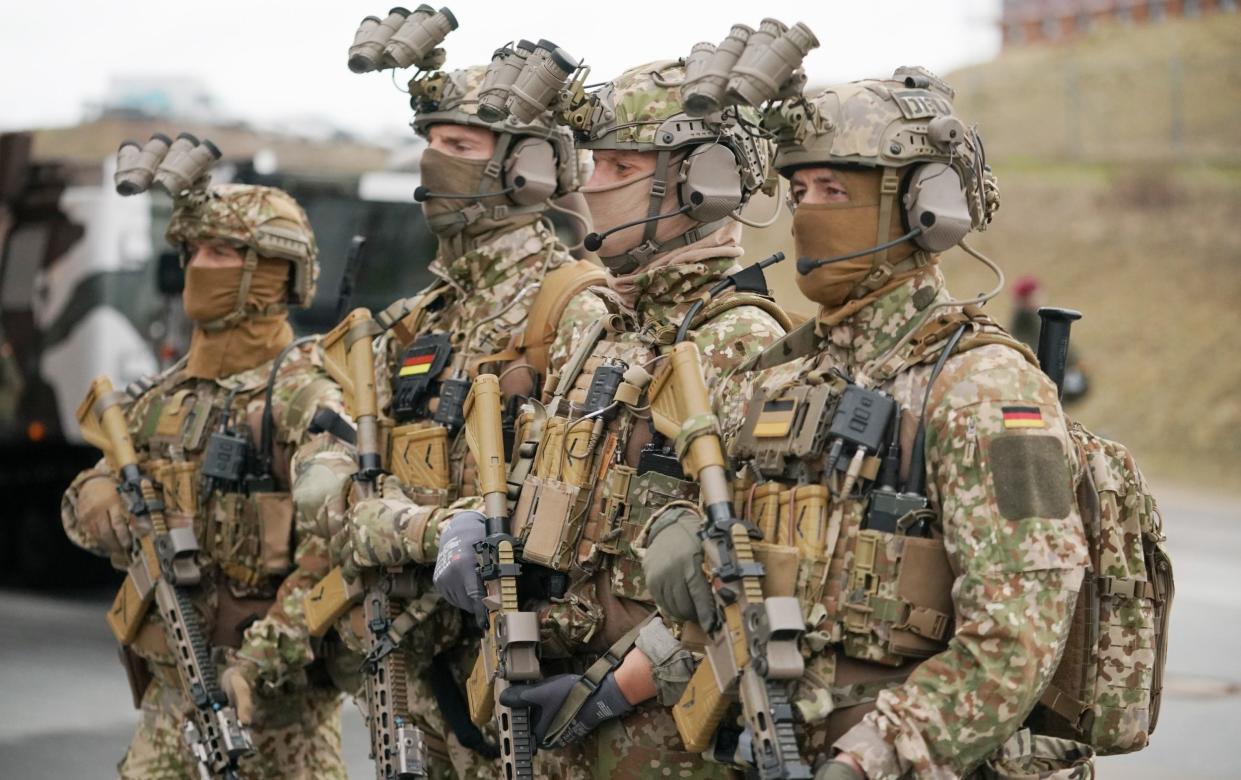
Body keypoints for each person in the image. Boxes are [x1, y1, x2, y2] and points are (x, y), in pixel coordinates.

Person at [641, 67, 1095, 779]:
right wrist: (672, 530)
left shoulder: (981, 387)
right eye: (798, 192)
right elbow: (696, 500)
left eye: (834, 191)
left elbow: (1018, 635)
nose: (806, 213)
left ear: (923, 208)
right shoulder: (779, 374)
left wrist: (871, 758)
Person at [432, 58, 792, 779]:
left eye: (620, 164)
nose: (589, 183)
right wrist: (469, 525)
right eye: (592, 162)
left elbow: (774, 580)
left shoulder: (741, 345)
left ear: (701, 185)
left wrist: (615, 687)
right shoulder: (597, 328)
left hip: (664, 747)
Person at [279, 61, 607, 777]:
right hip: (407, 680)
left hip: (511, 684)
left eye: (461, 145)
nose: (435, 160)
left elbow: (579, 507)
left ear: (527, 169)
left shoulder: (573, 310)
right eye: (431, 140)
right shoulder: (419, 321)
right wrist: (412, 529)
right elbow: (320, 468)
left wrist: (389, 526)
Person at [61, 148, 348, 778]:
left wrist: (259, 664)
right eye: (191, 253)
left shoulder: (304, 396)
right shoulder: (166, 396)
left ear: (272, 272)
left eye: (218, 253)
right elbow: (85, 497)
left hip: (276, 720)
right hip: (169, 705)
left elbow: (339, 554)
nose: (197, 267)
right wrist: (99, 504)